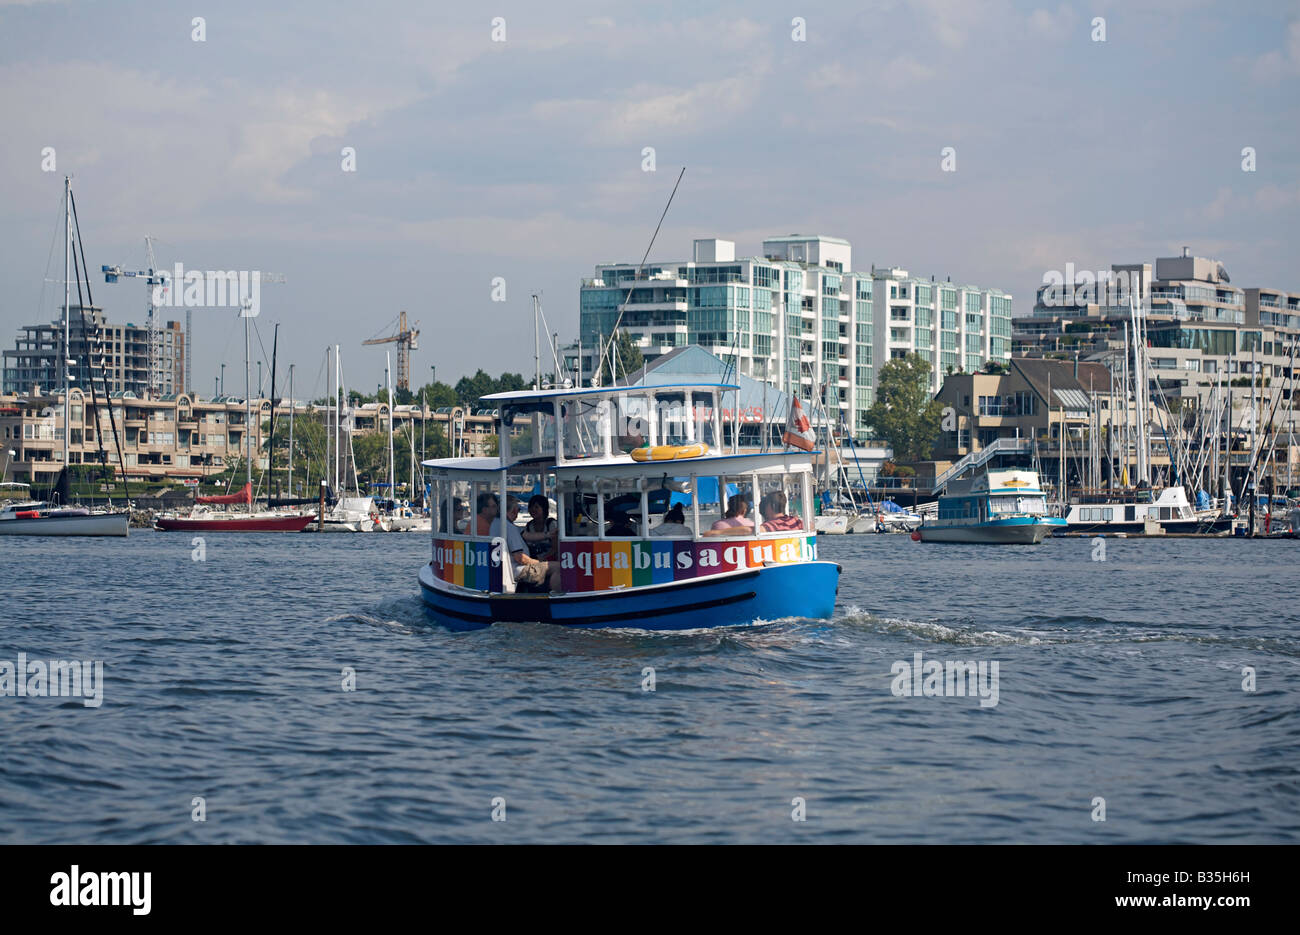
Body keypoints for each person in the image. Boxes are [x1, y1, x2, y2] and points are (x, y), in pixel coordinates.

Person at [488, 494, 562, 592]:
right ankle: (555, 599)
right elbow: (520, 558)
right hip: (518, 570)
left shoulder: (495, 523)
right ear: (514, 511)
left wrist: (548, 534)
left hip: (504, 568)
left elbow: (526, 535)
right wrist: (540, 563)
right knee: (559, 567)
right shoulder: (509, 528)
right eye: (518, 510)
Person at [521, 494, 558, 560]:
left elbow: (555, 548)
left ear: (544, 508)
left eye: (536, 507)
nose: (533, 510)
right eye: (530, 507)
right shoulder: (529, 526)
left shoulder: (551, 524)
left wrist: (542, 559)